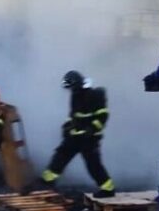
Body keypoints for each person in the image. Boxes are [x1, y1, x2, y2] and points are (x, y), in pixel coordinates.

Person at [38, 70, 115, 198]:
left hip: (90, 138)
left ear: (78, 84)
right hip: (75, 135)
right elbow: (73, 115)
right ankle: (47, 181)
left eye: (72, 87)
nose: (71, 91)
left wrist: (91, 129)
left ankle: (108, 189)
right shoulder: (75, 95)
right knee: (61, 155)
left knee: (93, 164)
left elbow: (103, 116)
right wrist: (67, 126)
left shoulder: (95, 95)